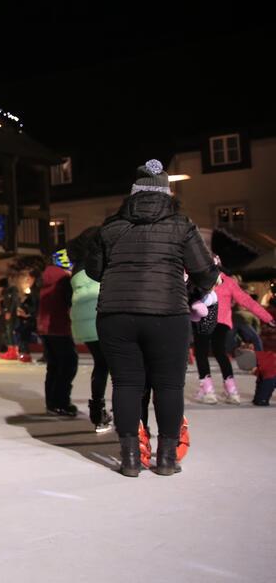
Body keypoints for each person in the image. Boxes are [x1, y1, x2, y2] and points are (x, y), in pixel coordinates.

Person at [86, 159, 218, 477]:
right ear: (166, 193)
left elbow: (93, 270)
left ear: (132, 194)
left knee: (127, 384)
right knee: (169, 386)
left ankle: (131, 457)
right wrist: (189, 289)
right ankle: (167, 458)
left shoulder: (111, 227)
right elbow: (204, 273)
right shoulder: (181, 225)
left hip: (115, 315)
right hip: (167, 314)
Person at [193, 267, 273, 404]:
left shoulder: (199, 279)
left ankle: (208, 391)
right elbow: (246, 300)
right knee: (220, 353)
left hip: (203, 320)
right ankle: (232, 391)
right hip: (222, 323)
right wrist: (267, 317)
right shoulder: (228, 281)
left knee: (201, 353)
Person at [66, 227, 113, 433]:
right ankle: (117, 412)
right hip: (101, 319)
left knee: (101, 365)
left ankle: (98, 412)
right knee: (117, 367)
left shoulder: (76, 268)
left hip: (84, 324)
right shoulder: (97, 263)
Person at [38, 251, 79, 415]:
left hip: (46, 327)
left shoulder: (46, 278)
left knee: (54, 365)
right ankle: (61, 402)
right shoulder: (63, 279)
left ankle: (52, 402)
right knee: (68, 364)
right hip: (59, 326)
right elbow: (70, 302)